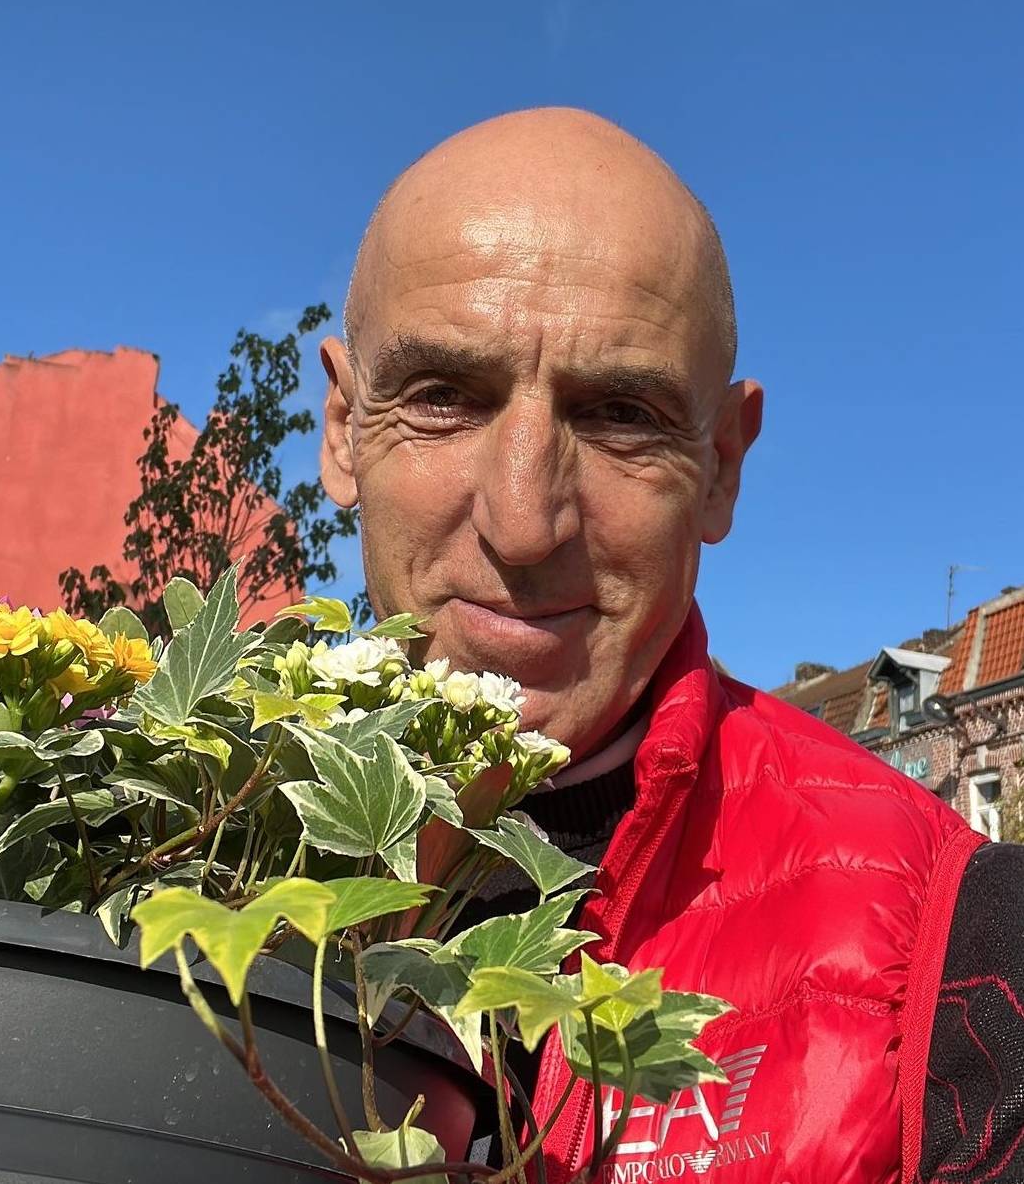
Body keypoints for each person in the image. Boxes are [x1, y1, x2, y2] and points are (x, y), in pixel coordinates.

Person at [319, 108, 1023, 1183]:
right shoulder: (147, 841)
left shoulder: (961, 942)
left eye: (617, 414)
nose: (523, 521)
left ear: (722, 466)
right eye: (444, 397)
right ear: (342, 429)